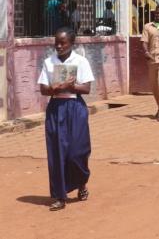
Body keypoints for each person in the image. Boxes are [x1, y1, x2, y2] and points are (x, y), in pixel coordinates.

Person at [37, 27, 93, 211]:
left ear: (72, 43)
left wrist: (71, 86)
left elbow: (86, 89)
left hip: (75, 108)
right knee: (57, 153)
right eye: (56, 43)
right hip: (56, 109)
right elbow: (44, 89)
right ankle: (60, 196)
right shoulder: (48, 62)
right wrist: (58, 87)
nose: (59, 46)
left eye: (63, 43)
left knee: (78, 151)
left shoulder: (81, 61)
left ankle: (81, 180)